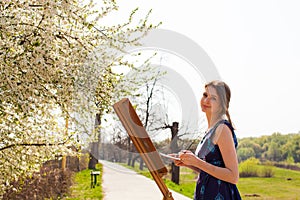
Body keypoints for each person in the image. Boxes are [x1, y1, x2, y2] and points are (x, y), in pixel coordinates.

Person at [172, 80, 242, 200]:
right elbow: (209, 170)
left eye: (213, 98)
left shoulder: (222, 129)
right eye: (205, 95)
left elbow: (233, 176)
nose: (206, 101)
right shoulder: (211, 130)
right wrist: (190, 163)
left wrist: (197, 161)